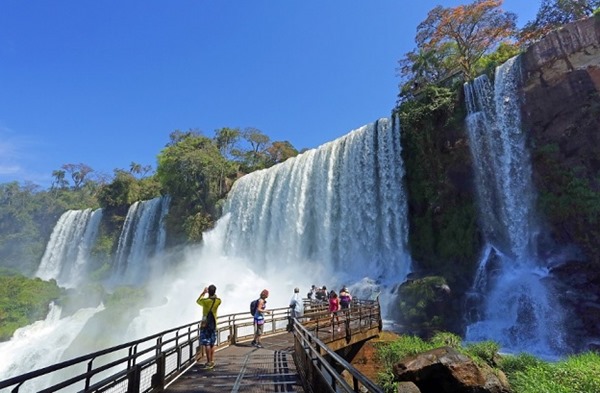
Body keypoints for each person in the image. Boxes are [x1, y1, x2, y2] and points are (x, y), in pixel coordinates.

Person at [196, 284, 221, 370]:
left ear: (208, 292)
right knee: (212, 343)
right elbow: (216, 298)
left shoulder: (205, 301)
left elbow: (198, 301)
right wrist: (212, 294)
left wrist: (203, 293)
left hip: (205, 324)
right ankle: (212, 360)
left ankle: (208, 362)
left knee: (206, 343)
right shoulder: (218, 301)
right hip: (214, 324)